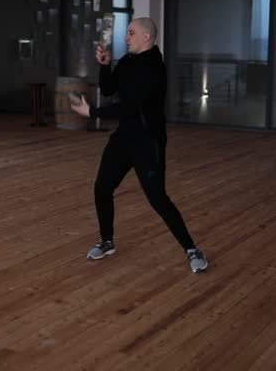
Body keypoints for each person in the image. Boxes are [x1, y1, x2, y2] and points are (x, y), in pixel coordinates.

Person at [70, 17, 208, 273]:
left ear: (147, 37)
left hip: (148, 141)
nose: (126, 37)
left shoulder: (154, 67)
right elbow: (110, 88)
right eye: (127, 33)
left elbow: (129, 105)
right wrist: (105, 64)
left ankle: (191, 249)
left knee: (157, 198)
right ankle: (107, 241)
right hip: (124, 138)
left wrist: (93, 113)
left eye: (131, 33)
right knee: (102, 187)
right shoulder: (128, 61)